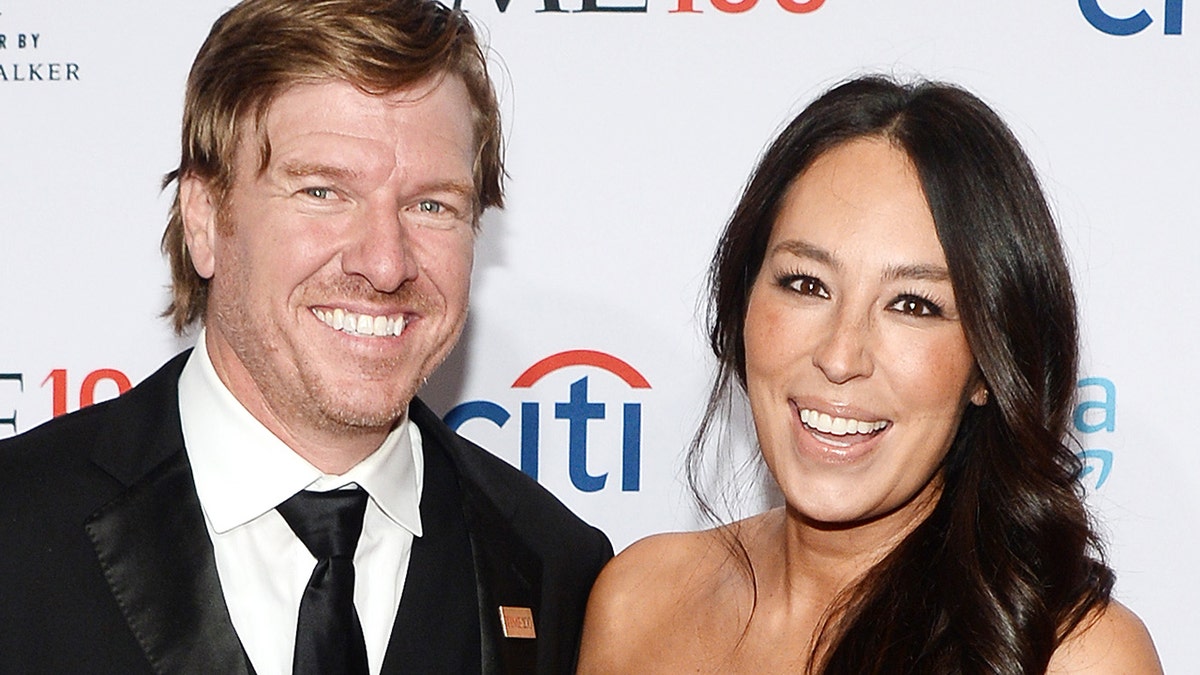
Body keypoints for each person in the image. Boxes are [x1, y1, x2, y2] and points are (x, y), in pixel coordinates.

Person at [0, 1, 612, 673]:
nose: (385, 263)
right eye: (323, 192)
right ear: (204, 218)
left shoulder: (561, 571)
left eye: (431, 205)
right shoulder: (16, 528)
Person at [577, 75, 1161, 673]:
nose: (840, 356)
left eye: (912, 304)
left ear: (988, 366)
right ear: (745, 303)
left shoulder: (1074, 656)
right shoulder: (639, 603)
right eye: (806, 284)